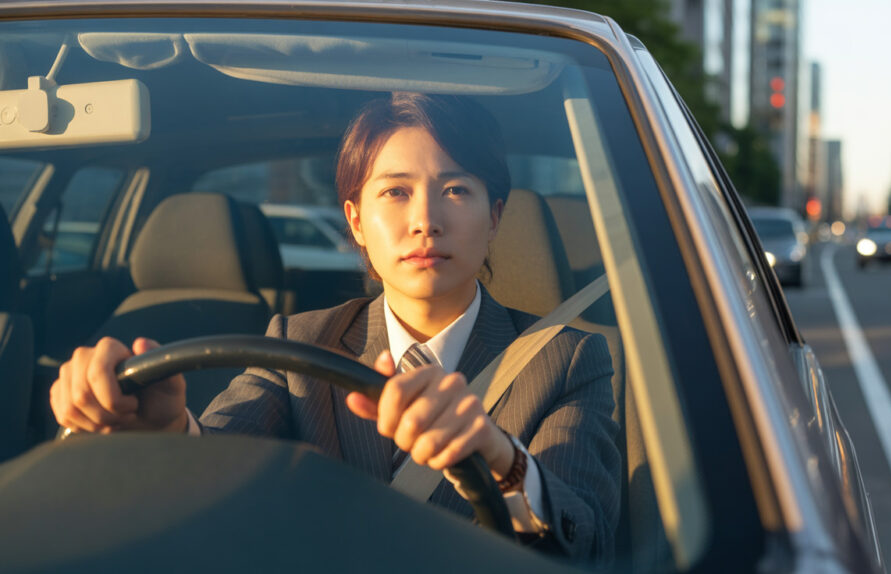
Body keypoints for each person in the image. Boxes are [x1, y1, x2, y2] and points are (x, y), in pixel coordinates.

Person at [49, 92, 620, 565]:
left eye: (455, 190)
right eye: (395, 192)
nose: (425, 221)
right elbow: (222, 462)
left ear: (494, 216)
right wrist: (169, 428)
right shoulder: (297, 341)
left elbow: (586, 539)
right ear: (356, 221)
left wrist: (498, 455)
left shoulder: (566, 360)